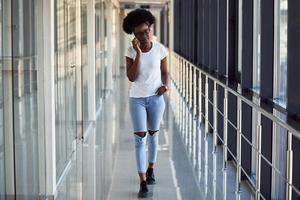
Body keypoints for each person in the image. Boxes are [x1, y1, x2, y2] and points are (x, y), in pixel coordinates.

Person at [122, 8, 168, 198]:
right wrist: (138, 53)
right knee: (140, 139)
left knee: (153, 136)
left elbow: (164, 72)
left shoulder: (160, 49)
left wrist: (165, 86)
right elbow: (131, 77)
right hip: (137, 100)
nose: (143, 35)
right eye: (138, 33)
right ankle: (142, 182)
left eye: (145, 31)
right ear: (133, 34)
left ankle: (151, 169)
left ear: (150, 27)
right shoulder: (130, 50)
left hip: (156, 99)